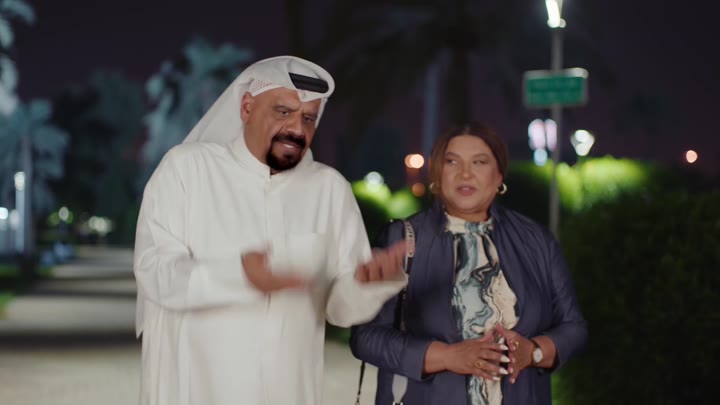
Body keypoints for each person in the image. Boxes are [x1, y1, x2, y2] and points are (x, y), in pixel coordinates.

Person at [133, 56, 408, 405]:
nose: (297, 129)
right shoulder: (188, 169)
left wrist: (368, 284)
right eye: (283, 111)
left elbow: (339, 310)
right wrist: (240, 277)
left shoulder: (329, 190)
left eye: (308, 118)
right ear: (247, 107)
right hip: (196, 390)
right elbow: (155, 272)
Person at [350, 122, 587, 405]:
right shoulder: (404, 239)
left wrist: (533, 351)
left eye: (479, 162)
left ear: (499, 175)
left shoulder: (536, 240)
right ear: (437, 174)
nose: (465, 173)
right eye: (452, 162)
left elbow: (573, 327)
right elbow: (365, 338)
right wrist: (447, 356)